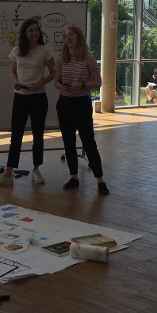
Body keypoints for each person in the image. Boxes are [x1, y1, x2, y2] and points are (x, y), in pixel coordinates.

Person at [0, 18, 55, 186]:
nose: (34, 33)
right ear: (25, 33)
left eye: (36, 30)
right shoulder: (17, 51)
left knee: (38, 134)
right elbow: (13, 72)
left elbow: (53, 73)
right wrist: (15, 81)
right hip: (20, 96)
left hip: (38, 97)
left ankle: (36, 169)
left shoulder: (45, 51)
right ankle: (8, 174)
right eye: (31, 30)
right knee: (16, 135)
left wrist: (41, 82)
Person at [54, 26, 109, 195]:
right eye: (65, 35)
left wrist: (82, 85)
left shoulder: (88, 58)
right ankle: (74, 177)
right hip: (64, 102)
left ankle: (100, 180)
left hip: (81, 103)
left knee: (88, 141)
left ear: (78, 37)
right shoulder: (62, 58)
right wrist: (61, 85)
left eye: (71, 34)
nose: (67, 38)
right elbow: (56, 81)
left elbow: (98, 82)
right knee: (68, 142)